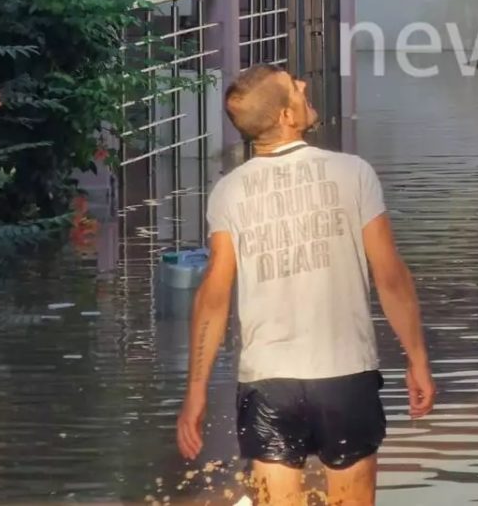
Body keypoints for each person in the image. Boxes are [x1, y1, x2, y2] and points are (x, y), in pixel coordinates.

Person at [176, 65, 435, 506]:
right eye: (293, 88)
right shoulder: (352, 173)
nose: (303, 86)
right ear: (285, 117)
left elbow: (213, 297)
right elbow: (390, 277)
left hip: (267, 384)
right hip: (345, 376)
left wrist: (195, 390)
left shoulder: (229, 192)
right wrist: (417, 358)